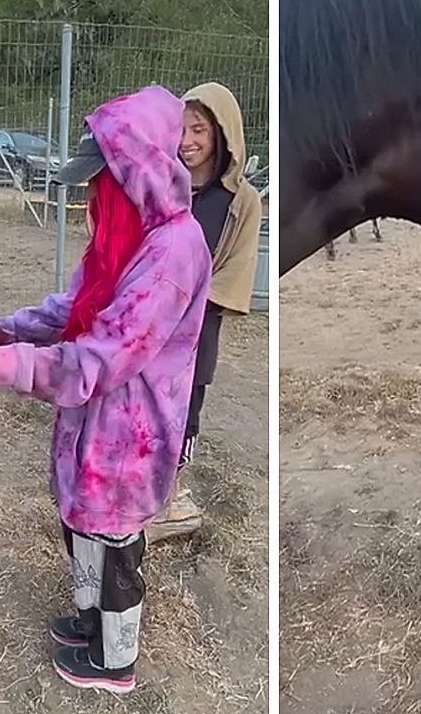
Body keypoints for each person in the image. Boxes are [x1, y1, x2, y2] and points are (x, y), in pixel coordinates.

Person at [0, 85, 212, 694]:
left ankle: (115, 659)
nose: (94, 194)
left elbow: (102, 359)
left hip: (131, 438)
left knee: (118, 540)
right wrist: (0, 330)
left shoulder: (175, 251)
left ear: (140, 172)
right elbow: (69, 308)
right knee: (83, 525)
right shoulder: (123, 240)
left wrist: (7, 367)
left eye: (104, 180)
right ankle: (89, 620)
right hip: (93, 428)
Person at [148, 82, 262, 539]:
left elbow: (235, 274)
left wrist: (184, 303)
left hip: (196, 332)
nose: (187, 141)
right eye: (181, 129)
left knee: (184, 411)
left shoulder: (242, 202)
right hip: (147, 323)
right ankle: (139, 488)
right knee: (142, 406)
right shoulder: (161, 186)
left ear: (222, 133)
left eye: (199, 129)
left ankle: (169, 498)